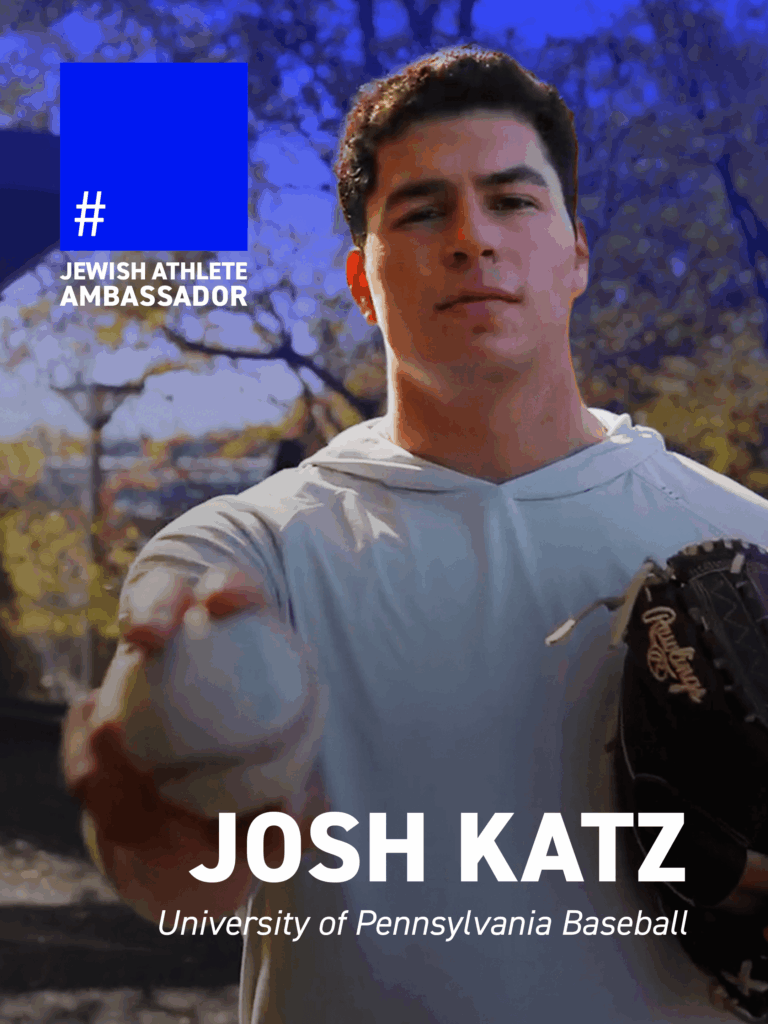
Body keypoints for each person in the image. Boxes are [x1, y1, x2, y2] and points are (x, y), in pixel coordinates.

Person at [63, 45, 768, 1022]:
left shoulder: (747, 545)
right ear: (361, 277)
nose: (472, 238)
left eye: (515, 202)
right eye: (424, 209)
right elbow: (185, 878)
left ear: (577, 255)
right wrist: (160, 817)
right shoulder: (242, 560)